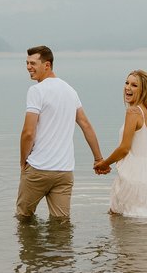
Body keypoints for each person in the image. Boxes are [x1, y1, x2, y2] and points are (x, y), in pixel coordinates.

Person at [16, 45, 103, 221]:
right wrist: (98, 158)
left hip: (39, 168)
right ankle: (62, 249)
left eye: (33, 63)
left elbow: (28, 132)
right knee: (61, 223)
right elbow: (86, 125)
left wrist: (23, 161)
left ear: (47, 65)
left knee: (23, 218)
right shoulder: (70, 91)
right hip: (64, 171)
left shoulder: (36, 91)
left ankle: (30, 249)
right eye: (26, 63)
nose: (28, 67)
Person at [93, 70, 147, 218]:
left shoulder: (133, 112)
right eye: (126, 83)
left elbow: (124, 148)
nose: (128, 87)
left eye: (134, 85)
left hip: (133, 179)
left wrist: (104, 164)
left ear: (143, 90)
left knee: (122, 230)